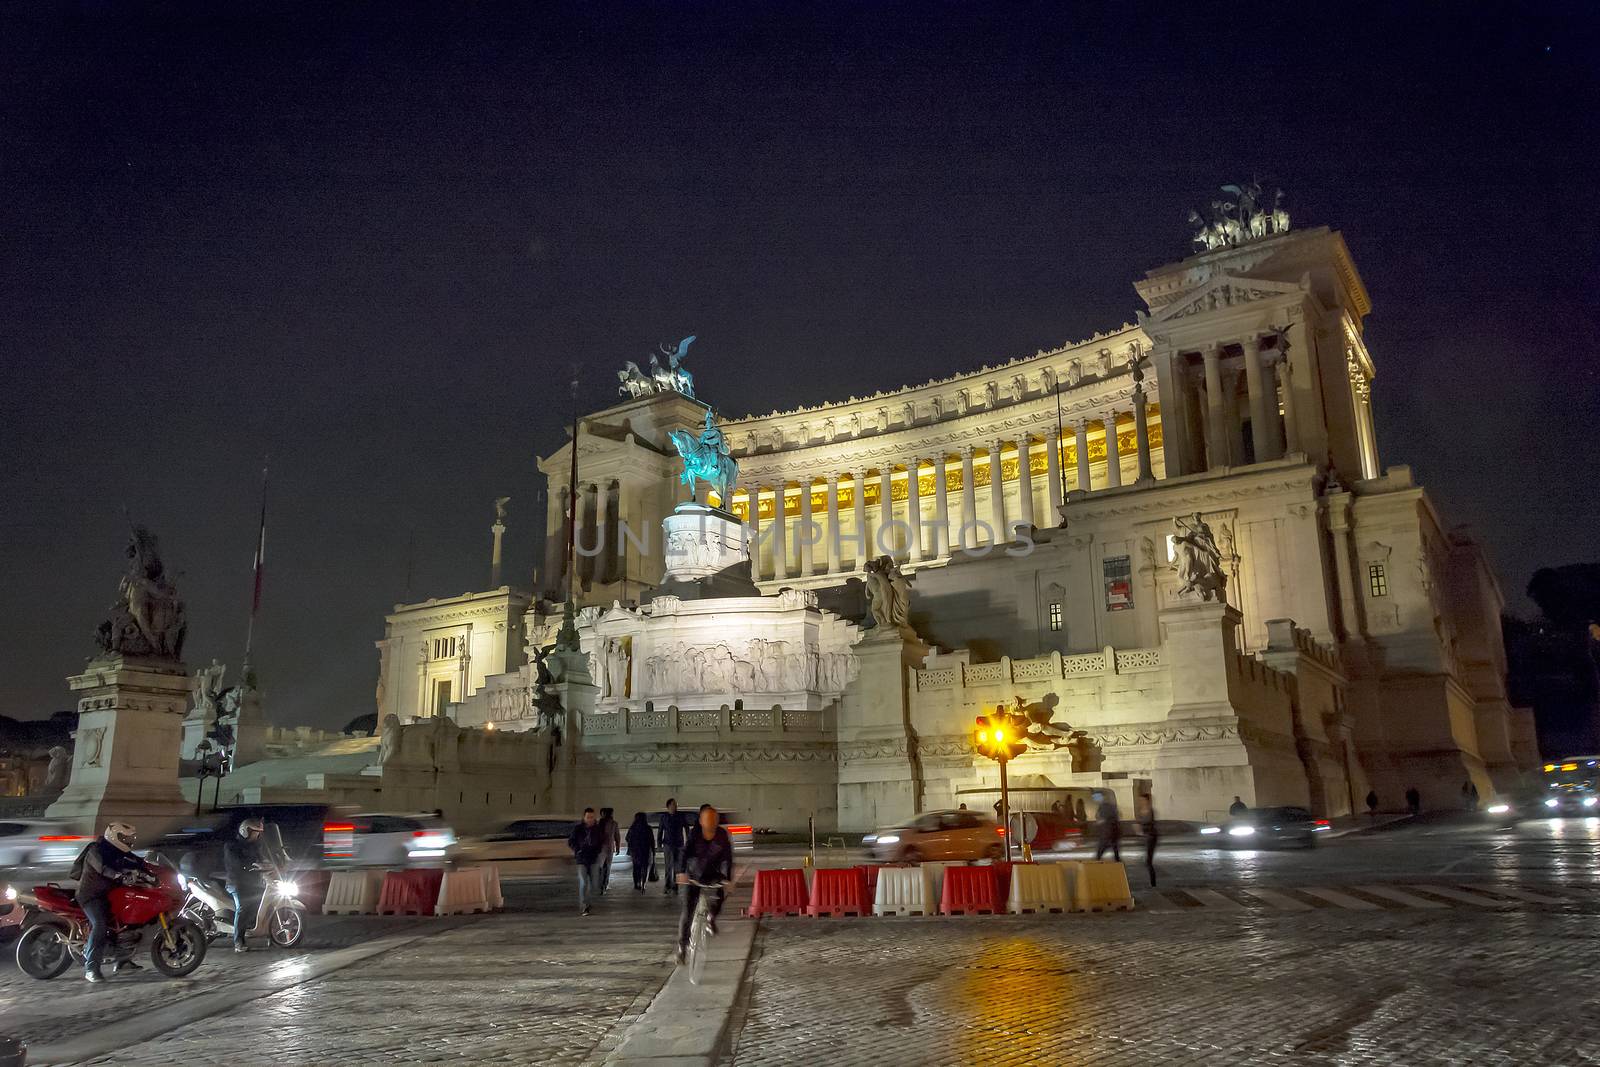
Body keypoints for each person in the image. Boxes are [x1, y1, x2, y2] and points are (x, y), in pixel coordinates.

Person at [74, 821, 152, 982]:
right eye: (124, 837)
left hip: (110, 894)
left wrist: (151, 869)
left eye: (129, 838)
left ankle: (122, 960)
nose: (128, 841)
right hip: (90, 896)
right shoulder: (96, 850)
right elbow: (102, 868)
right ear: (114, 836)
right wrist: (119, 875)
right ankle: (91, 968)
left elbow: (136, 861)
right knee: (100, 925)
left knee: (128, 922)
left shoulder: (118, 851)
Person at [677, 804, 734, 964]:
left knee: (720, 896)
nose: (711, 824)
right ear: (701, 821)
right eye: (707, 820)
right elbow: (684, 852)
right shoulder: (694, 834)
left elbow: (727, 859)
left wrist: (727, 879)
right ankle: (682, 947)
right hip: (693, 875)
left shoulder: (722, 835)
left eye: (714, 820)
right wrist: (681, 872)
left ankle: (711, 918)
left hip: (713, 875)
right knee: (688, 911)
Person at [224, 818, 268, 952]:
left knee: (257, 906)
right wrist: (249, 866)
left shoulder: (255, 846)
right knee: (242, 909)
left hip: (251, 883)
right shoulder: (231, 846)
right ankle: (238, 942)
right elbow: (235, 864)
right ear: (246, 831)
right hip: (236, 883)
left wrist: (270, 863)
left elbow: (262, 858)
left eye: (258, 833)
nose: (257, 835)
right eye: (255, 832)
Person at [568, 808, 607, 916]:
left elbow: (602, 841)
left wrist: (598, 850)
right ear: (584, 817)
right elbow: (571, 841)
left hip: (593, 858)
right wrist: (577, 849)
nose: (590, 819)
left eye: (592, 817)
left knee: (594, 884)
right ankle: (584, 906)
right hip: (581, 859)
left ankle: (588, 902)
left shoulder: (597, 829)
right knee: (583, 882)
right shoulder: (578, 829)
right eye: (588, 817)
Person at [658, 798, 687, 896]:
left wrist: (687, 842)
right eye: (673, 805)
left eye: (676, 805)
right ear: (668, 806)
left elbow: (686, 828)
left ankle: (675, 887)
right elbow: (660, 830)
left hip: (678, 844)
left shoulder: (681, 816)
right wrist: (659, 844)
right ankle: (667, 885)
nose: (675, 806)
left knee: (676, 867)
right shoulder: (664, 817)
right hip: (668, 844)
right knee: (668, 866)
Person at [625, 812, 654, 892]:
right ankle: (643, 884)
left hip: (635, 851)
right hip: (645, 850)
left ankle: (636, 883)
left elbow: (627, 838)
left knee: (636, 868)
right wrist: (653, 851)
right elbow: (652, 841)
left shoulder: (633, 828)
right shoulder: (648, 828)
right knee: (644, 867)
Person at [1135, 795, 1159, 887]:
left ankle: (1153, 883)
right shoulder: (1140, 811)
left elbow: (1149, 823)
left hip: (1151, 837)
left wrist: (1140, 828)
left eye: (1142, 800)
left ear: (1147, 800)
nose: (1141, 802)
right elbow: (1139, 822)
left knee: (1148, 861)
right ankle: (1152, 882)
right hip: (1146, 837)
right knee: (1147, 861)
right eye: (1140, 800)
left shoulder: (1150, 811)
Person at [597, 807, 620, 894]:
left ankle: (599, 885)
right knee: (607, 868)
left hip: (600, 848)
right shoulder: (614, 823)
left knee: (599, 867)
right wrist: (617, 847)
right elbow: (617, 836)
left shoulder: (599, 823)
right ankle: (604, 886)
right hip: (609, 848)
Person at [1093, 791, 1121, 862]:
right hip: (1112, 833)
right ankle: (1118, 865)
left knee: (1100, 853)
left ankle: (1095, 866)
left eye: (1096, 797)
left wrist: (1099, 822)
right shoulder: (1108, 806)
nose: (1095, 799)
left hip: (1107, 833)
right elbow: (1116, 816)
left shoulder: (1104, 807)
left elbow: (1104, 819)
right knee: (1115, 852)